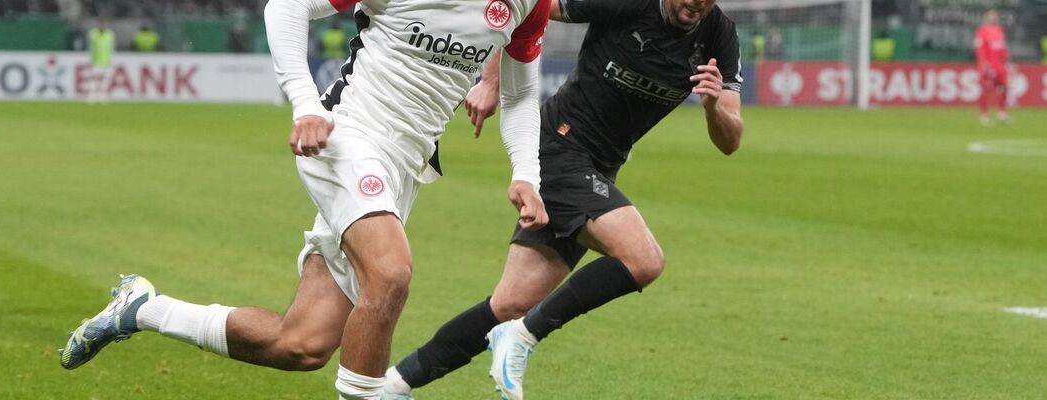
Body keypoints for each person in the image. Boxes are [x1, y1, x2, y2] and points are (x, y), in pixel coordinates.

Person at [57, 0, 552, 398]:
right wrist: (305, 103)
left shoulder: (531, 3)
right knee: (391, 272)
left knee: (302, 344)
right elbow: (286, 7)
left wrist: (526, 173)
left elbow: (520, 93)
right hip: (348, 136)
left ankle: (144, 309)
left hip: (405, 164)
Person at [382, 0, 745, 398]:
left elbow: (730, 140)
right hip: (558, 145)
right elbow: (528, 9)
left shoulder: (719, 35)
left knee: (508, 305)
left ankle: (393, 385)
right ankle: (520, 339)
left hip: (598, 168)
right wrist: (491, 80)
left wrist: (712, 106)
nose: (697, 4)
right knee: (644, 259)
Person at [975, 8, 1010, 126]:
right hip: (988, 65)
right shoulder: (982, 31)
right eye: (991, 15)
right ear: (986, 17)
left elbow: (1003, 48)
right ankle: (984, 115)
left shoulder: (1000, 30)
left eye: (995, 15)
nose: (993, 17)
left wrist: (1006, 60)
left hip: (1000, 65)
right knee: (986, 89)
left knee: (1003, 87)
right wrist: (985, 64)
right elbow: (980, 49)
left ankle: (1002, 113)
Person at [87, 19, 114, 103]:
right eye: (100, 25)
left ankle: (103, 96)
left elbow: (112, 48)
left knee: (104, 79)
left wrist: (111, 59)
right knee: (94, 79)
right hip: (96, 60)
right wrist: (90, 59)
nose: (102, 26)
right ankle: (92, 96)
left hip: (106, 61)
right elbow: (90, 47)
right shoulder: (93, 34)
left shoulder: (110, 34)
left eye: (103, 25)